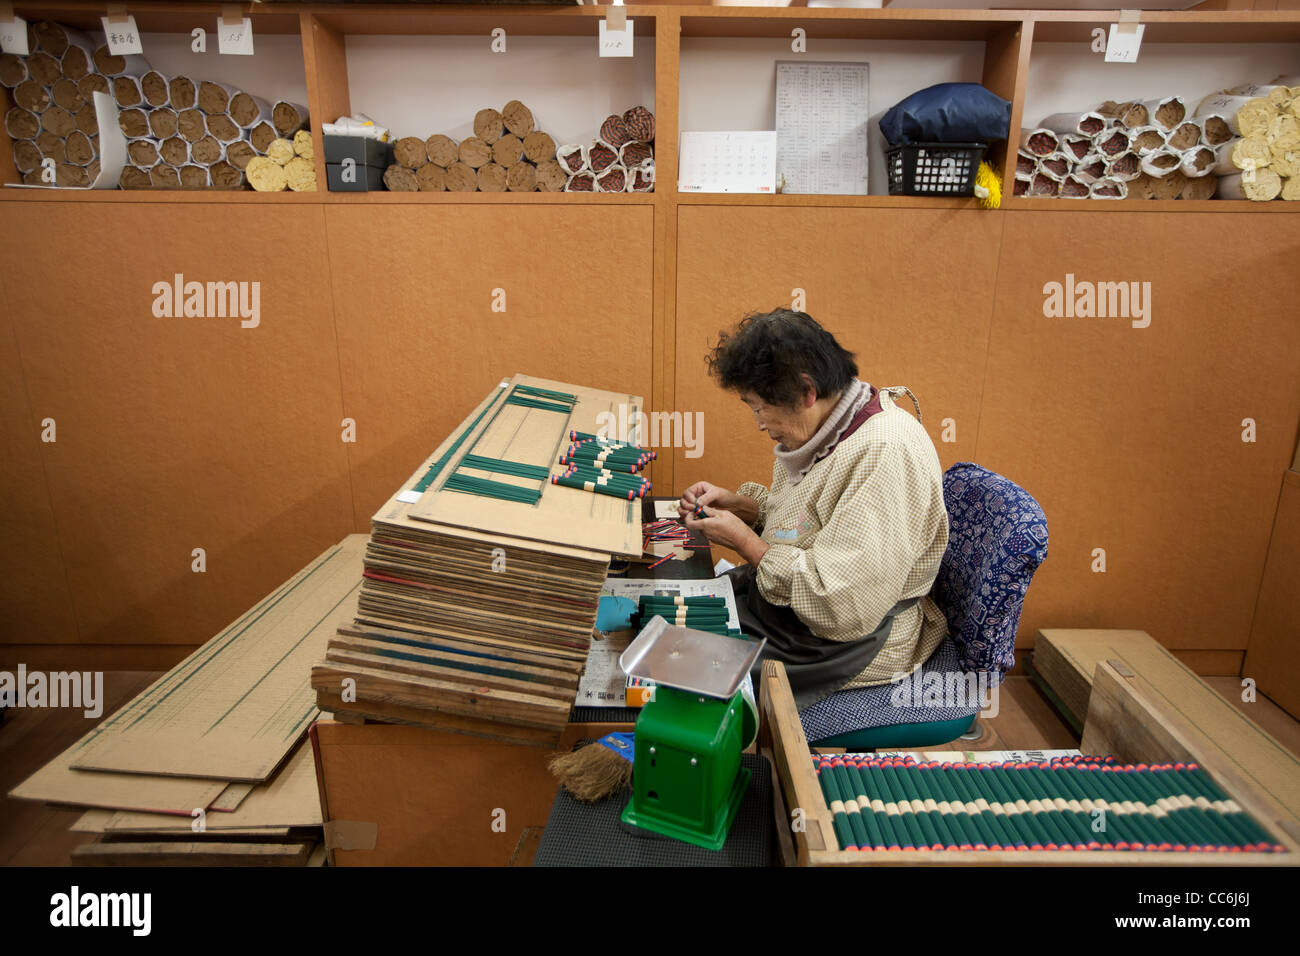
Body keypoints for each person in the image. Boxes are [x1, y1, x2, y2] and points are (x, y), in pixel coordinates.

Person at [680, 309, 950, 709]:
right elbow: (813, 527)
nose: (758, 423)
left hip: (854, 639)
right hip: (809, 614)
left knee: (689, 666)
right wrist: (747, 510)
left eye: (759, 408)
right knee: (681, 616)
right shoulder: (830, 428)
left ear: (806, 392)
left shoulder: (885, 453)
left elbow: (844, 609)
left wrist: (748, 545)